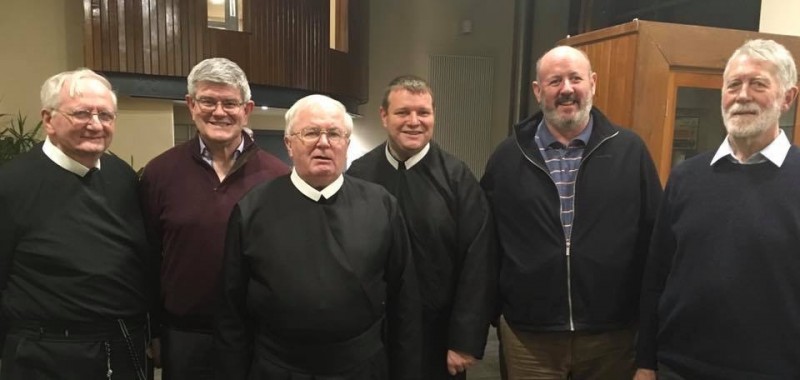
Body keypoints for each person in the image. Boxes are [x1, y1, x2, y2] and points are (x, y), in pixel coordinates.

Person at [480, 45, 663, 379]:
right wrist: (496, 315)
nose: (566, 89)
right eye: (555, 81)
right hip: (529, 340)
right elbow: (486, 245)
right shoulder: (507, 158)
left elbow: (655, 247)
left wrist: (649, 342)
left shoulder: (630, 152)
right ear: (538, 91)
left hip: (613, 338)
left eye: (575, 78)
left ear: (592, 83)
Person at [215, 94, 421, 379]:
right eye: (310, 132)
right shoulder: (252, 209)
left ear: (346, 144)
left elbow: (404, 301)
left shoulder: (382, 205)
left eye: (334, 134)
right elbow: (231, 309)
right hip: (279, 368)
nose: (323, 143)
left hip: (361, 367)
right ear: (289, 144)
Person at [635, 39, 800, 380]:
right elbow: (656, 277)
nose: (742, 96)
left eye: (758, 84)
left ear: (787, 98)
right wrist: (645, 362)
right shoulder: (685, 177)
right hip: (676, 368)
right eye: (733, 85)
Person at [139, 57, 289, 380]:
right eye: (208, 101)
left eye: (230, 103)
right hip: (183, 336)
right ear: (191, 105)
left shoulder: (279, 177)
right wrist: (152, 330)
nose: (219, 112)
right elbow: (147, 259)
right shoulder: (159, 173)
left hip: (256, 336)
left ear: (246, 109)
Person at [0, 68, 155, 380]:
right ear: (48, 120)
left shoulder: (121, 176)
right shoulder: (10, 185)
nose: (95, 125)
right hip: (45, 353)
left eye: (106, 115)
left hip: (122, 345)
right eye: (82, 113)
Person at [348, 75, 496, 379]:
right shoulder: (359, 175)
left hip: (438, 337)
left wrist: (464, 341)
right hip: (373, 335)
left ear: (433, 116)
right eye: (403, 112)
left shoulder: (457, 180)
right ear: (384, 116)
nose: (414, 121)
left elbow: (479, 261)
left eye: (423, 113)